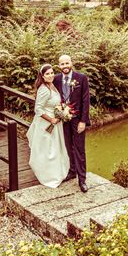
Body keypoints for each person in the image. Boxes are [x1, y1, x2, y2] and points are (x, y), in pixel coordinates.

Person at [26, 64, 70, 188]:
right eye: (47, 74)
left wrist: (62, 111)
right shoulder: (43, 89)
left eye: (52, 73)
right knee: (48, 149)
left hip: (56, 121)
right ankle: (49, 175)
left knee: (55, 147)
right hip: (47, 123)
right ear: (42, 76)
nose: (51, 75)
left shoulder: (52, 85)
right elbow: (38, 109)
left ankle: (58, 171)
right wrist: (51, 119)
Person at [54, 54, 91, 192]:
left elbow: (86, 101)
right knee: (68, 147)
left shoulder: (81, 78)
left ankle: (82, 180)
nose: (65, 66)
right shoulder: (56, 79)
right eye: (62, 64)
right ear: (59, 66)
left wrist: (83, 121)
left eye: (67, 63)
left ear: (71, 63)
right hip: (63, 120)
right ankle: (72, 171)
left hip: (77, 119)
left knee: (80, 149)